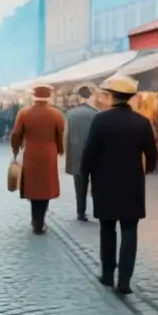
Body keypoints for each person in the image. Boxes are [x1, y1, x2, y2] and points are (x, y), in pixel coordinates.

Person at [79, 76, 158, 294]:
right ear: (131, 97)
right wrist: (146, 169)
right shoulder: (142, 122)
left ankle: (107, 274)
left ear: (112, 96)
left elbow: (89, 153)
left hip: (105, 183)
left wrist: (85, 175)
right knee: (130, 231)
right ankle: (124, 280)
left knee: (107, 229)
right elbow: (152, 155)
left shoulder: (100, 120)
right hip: (132, 184)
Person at [11, 84, 65, 235]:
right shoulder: (55, 114)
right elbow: (59, 134)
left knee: (34, 187)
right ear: (49, 96)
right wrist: (60, 149)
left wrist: (16, 150)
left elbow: (16, 134)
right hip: (49, 154)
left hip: (31, 154)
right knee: (45, 188)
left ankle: (36, 219)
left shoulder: (24, 113)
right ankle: (40, 219)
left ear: (33, 96)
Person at [65, 86, 99, 221]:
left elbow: (67, 135)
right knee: (96, 183)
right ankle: (98, 209)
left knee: (79, 184)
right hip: (94, 154)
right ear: (90, 96)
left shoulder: (71, 114)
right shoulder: (96, 113)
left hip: (76, 153)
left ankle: (80, 211)